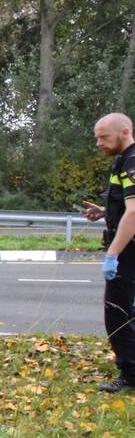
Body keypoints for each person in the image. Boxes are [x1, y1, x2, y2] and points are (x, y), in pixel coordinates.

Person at [82, 112, 135, 391]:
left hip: (128, 252)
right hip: (126, 248)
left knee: (117, 313)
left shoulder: (132, 162)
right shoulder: (122, 160)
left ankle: (130, 375)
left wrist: (113, 254)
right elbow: (127, 207)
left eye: (103, 137)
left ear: (124, 132)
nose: (99, 143)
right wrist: (105, 212)